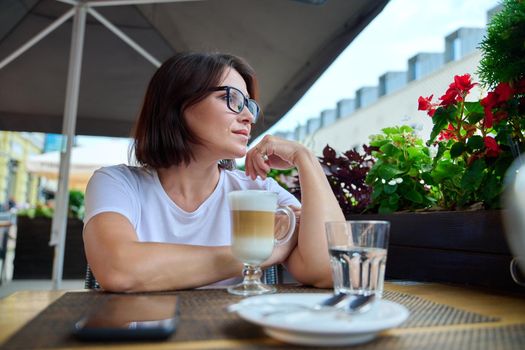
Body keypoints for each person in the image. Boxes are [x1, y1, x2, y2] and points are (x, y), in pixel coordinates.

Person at [83, 52, 345, 292]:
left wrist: (305, 159)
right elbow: (120, 270)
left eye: (249, 105)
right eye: (229, 98)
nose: (248, 117)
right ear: (177, 103)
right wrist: (257, 253)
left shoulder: (259, 191)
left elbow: (330, 271)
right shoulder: (117, 184)